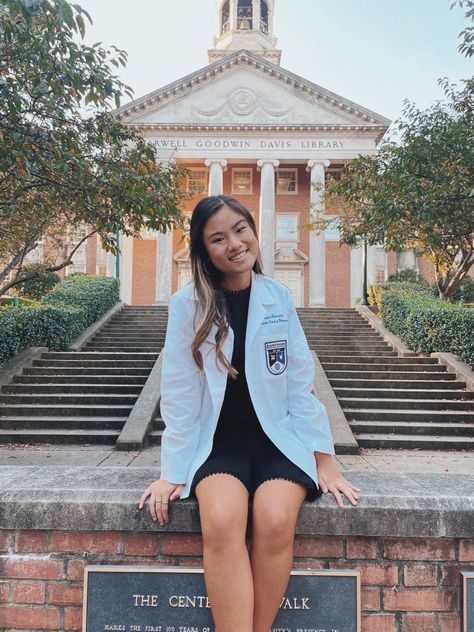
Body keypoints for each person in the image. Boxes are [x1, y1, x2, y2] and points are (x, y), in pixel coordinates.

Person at [138, 194, 360, 632]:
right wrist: (172, 470)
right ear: (204, 251)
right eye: (218, 238)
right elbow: (180, 394)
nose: (235, 243)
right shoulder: (188, 305)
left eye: (241, 229)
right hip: (219, 444)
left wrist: (324, 458)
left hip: (278, 440)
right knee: (221, 520)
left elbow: (300, 384)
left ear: (253, 231)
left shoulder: (278, 296)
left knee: (276, 520)